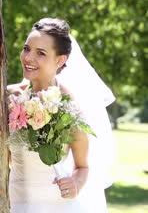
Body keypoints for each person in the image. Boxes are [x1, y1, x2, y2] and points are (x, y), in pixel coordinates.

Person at [7, 18, 115, 212]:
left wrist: (75, 184)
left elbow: (82, 167)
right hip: (14, 200)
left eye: (41, 53)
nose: (28, 57)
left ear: (60, 60)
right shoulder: (11, 96)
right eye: (26, 48)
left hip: (57, 205)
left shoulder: (68, 104)